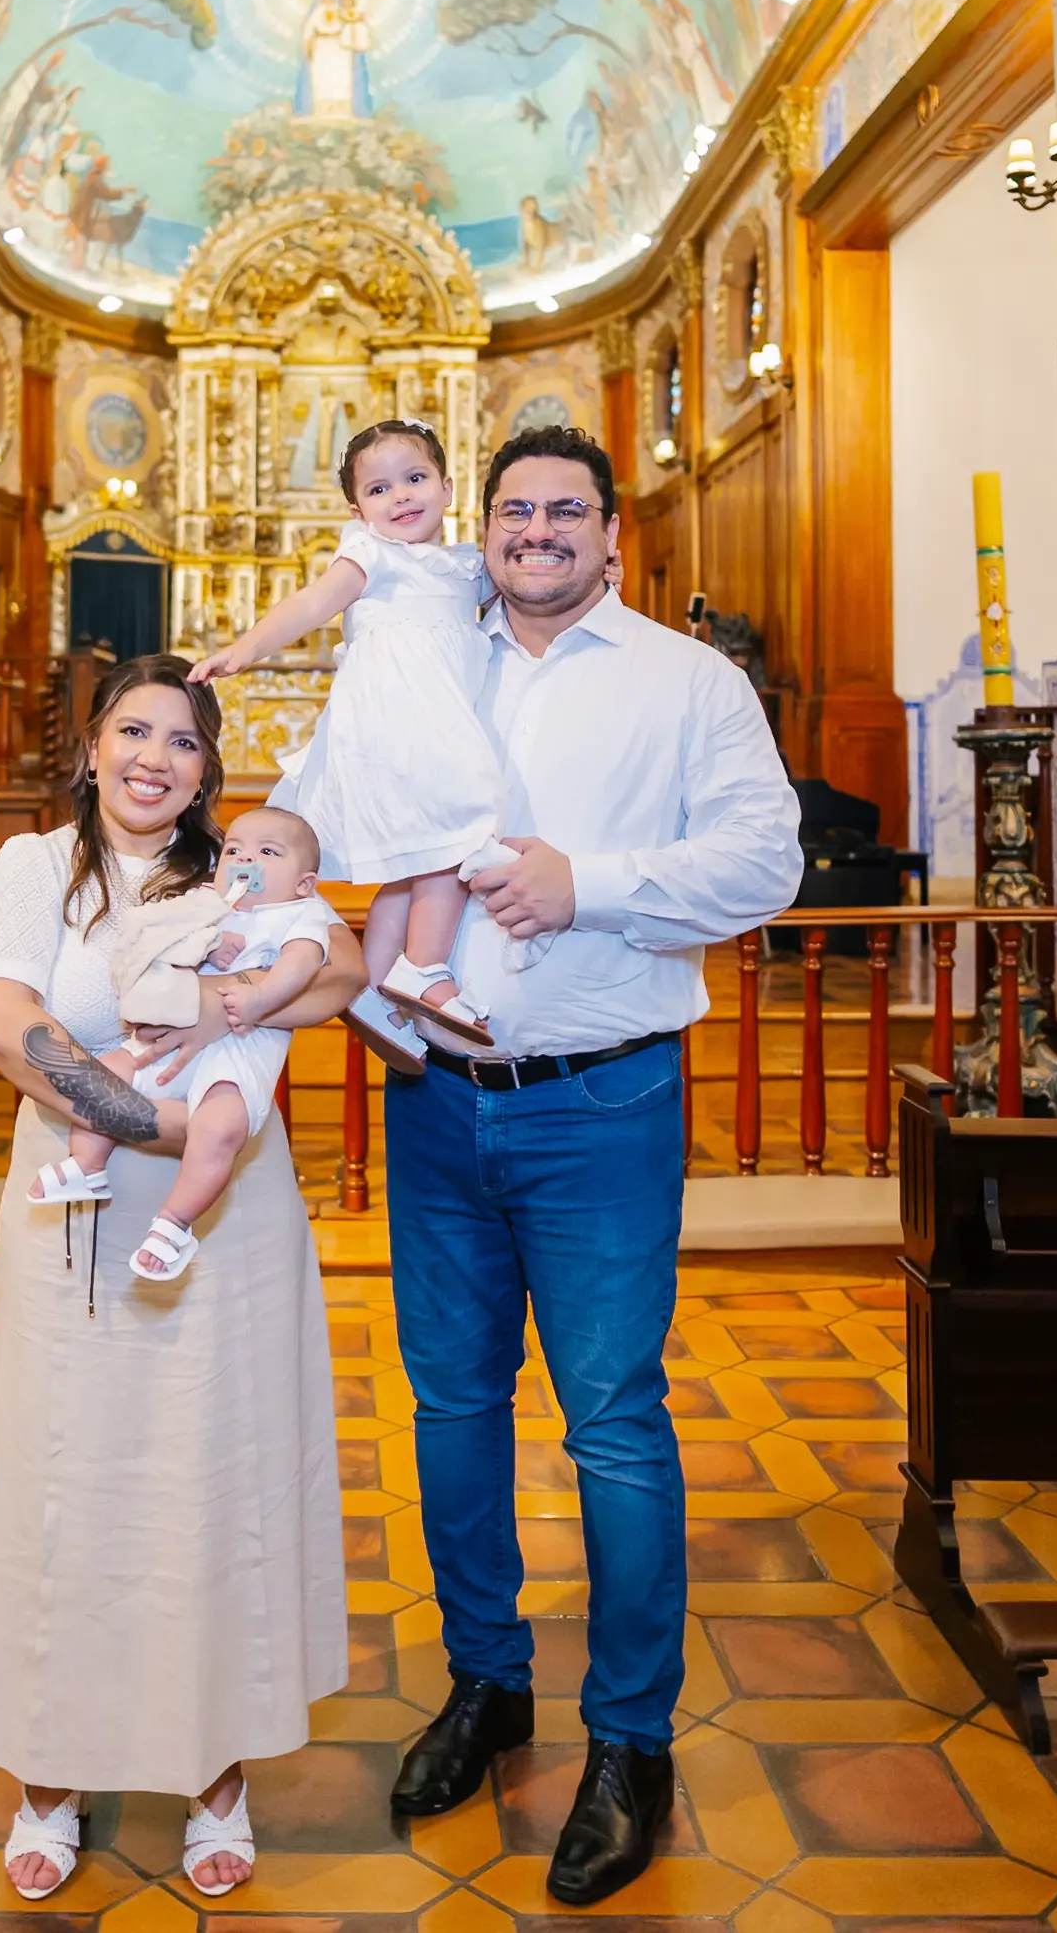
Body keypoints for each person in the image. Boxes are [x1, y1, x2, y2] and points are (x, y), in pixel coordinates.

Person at [382, 425, 802, 1909]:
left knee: (613, 1423)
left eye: (566, 510)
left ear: (613, 534)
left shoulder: (686, 683)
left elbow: (766, 861)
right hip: (433, 1101)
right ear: (481, 532)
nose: (537, 530)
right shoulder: (425, 656)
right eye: (513, 511)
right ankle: (485, 1683)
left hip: (601, 1104)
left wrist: (592, 884)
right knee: (447, 1405)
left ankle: (629, 1739)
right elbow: (359, 819)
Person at [0, 654, 360, 1903]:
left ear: (206, 769)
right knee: (61, 1487)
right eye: (133, 731)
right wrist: (147, 1120)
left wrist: (259, 995)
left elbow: (340, 972)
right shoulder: (34, 867)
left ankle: (213, 1773)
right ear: (89, 748)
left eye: (183, 741)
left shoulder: (240, 871)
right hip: (80, 1213)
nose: (154, 757)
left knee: (207, 1483)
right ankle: (50, 1769)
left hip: (222, 1233)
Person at [191, 420, 520, 1068]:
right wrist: (244, 650)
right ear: (357, 510)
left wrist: (604, 577)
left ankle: (369, 990)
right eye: (379, 488)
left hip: (432, 723)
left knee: (409, 864)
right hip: (396, 724)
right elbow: (310, 607)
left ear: (448, 487)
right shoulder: (371, 555)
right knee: (460, 830)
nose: (399, 496)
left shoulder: (464, 568)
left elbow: (528, 587)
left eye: (415, 479)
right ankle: (423, 967)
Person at [26, 806, 330, 1283]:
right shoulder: (207, 901)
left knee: (218, 1127)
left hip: (239, 1049)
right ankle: (87, 1164)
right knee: (104, 1075)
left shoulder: (300, 914)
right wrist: (204, 941)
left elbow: (303, 964)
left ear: (304, 883)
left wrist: (259, 999)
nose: (245, 859)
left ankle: (174, 1224)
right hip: (164, 1038)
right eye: (234, 850)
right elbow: (157, 944)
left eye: (267, 852)